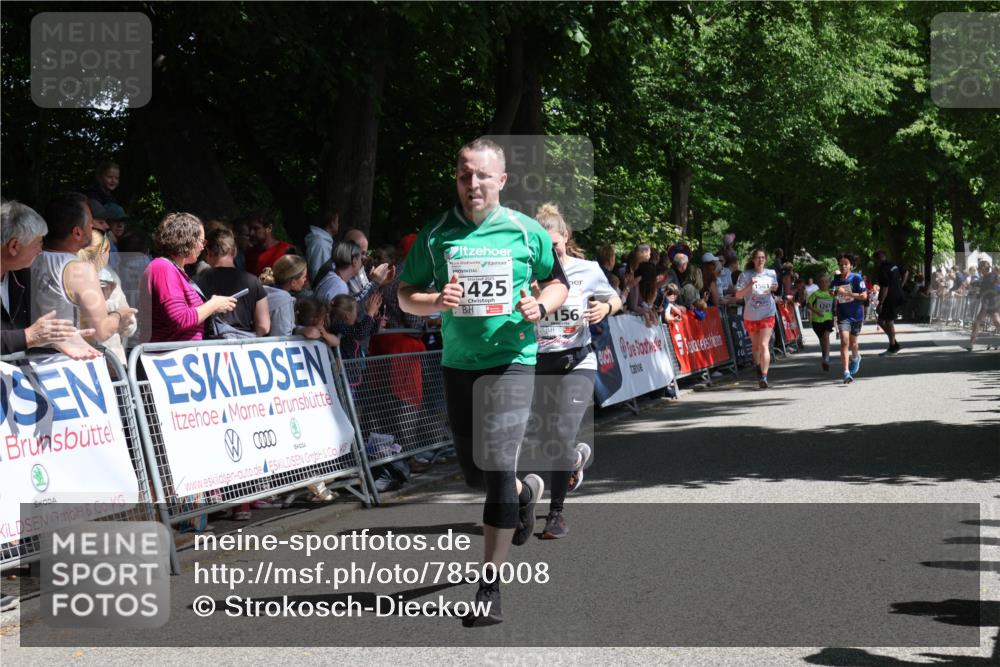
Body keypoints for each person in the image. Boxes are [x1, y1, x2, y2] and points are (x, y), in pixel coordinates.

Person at [397, 137, 568, 627]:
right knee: (476, 475)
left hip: (513, 358)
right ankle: (524, 494)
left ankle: (489, 588)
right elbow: (405, 294)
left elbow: (558, 282)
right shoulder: (436, 234)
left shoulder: (526, 231)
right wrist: (436, 301)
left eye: (482, 175)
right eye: (464, 175)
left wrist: (541, 306)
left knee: (495, 464)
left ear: (502, 180)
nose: (472, 184)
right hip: (459, 363)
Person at [530, 202, 620, 539]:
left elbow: (615, 298)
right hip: (540, 363)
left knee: (563, 432)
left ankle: (556, 514)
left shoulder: (588, 269)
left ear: (566, 237)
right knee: (546, 440)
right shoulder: (528, 272)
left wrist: (605, 308)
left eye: (554, 244)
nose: (550, 251)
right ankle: (574, 461)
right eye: (543, 246)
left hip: (578, 361)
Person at [32, 193, 136, 350]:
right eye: (89, 223)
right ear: (77, 232)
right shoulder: (81, 269)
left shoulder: (30, 259)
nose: (92, 226)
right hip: (72, 359)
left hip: (33, 357)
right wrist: (120, 314)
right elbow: (101, 331)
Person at [1, 200, 97, 358]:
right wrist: (28, 336)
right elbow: (27, 335)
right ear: (14, 246)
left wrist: (57, 338)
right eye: (38, 244)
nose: (41, 251)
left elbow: (23, 333)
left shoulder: (21, 275)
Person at [139, 212, 237, 343]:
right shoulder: (163, 268)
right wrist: (213, 305)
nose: (203, 246)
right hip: (167, 354)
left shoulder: (174, 270)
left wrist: (212, 307)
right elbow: (180, 319)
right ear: (187, 240)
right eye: (201, 241)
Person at [196, 226, 270, 338]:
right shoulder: (253, 282)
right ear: (234, 252)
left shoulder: (197, 282)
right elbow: (264, 327)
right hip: (244, 344)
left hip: (210, 345)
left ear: (208, 252)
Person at [77, 229, 136, 364]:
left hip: (79, 362)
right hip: (108, 362)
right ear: (103, 252)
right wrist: (120, 317)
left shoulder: (66, 276)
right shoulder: (110, 280)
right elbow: (129, 326)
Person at [734, 248, 779, 389]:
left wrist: (774, 287)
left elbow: (775, 287)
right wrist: (750, 285)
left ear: (765, 259)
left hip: (767, 312)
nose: (760, 260)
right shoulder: (745, 275)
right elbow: (738, 295)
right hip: (751, 314)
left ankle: (764, 376)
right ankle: (758, 367)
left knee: (764, 344)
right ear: (753, 260)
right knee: (756, 346)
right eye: (758, 257)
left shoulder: (771, 273)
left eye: (762, 257)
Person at [313, 240, 391, 305]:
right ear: (354, 261)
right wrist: (375, 282)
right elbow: (350, 312)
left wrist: (375, 283)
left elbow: (355, 300)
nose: (363, 261)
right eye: (360, 258)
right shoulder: (340, 286)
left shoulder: (332, 276)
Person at [831, 253, 868, 384]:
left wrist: (846, 293)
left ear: (851, 265)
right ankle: (846, 372)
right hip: (843, 315)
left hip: (856, 315)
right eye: (841, 264)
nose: (843, 266)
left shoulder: (856, 278)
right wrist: (834, 292)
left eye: (845, 264)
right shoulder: (836, 279)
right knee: (844, 342)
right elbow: (832, 292)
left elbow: (864, 296)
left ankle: (856, 357)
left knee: (853, 344)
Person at [260, 255, 309, 337]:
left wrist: (302, 330)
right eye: (304, 277)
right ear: (293, 282)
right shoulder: (284, 301)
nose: (305, 280)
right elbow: (283, 335)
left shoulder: (263, 290)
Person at [873, 250, 906, 356]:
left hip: (889, 297)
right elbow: (906, 272)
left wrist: (880, 303)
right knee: (881, 321)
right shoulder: (893, 264)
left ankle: (892, 347)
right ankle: (894, 343)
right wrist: (901, 285)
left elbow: (885, 287)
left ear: (877, 259)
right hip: (897, 295)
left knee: (889, 321)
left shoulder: (882, 269)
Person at [967, 259, 1000, 351]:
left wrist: (978, 284)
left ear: (984, 268)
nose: (979, 270)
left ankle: (971, 343)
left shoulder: (993, 275)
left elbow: (991, 286)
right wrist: (978, 294)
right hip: (986, 303)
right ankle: (971, 344)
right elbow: (984, 288)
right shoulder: (984, 277)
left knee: (997, 322)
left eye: (980, 268)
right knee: (977, 322)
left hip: (992, 302)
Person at [806, 273, 835, 371]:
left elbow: (836, 303)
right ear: (818, 284)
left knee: (826, 337)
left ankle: (826, 359)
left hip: (828, 319)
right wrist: (816, 311)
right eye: (822, 282)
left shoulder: (831, 293)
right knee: (822, 341)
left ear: (829, 283)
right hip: (817, 321)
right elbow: (808, 305)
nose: (824, 284)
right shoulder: (815, 294)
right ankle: (824, 356)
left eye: (826, 282)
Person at [304, 210, 340, 282]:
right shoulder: (321, 244)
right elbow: (319, 273)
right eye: (337, 222)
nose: (338, 224)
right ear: (331, 223)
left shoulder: (323, 242)